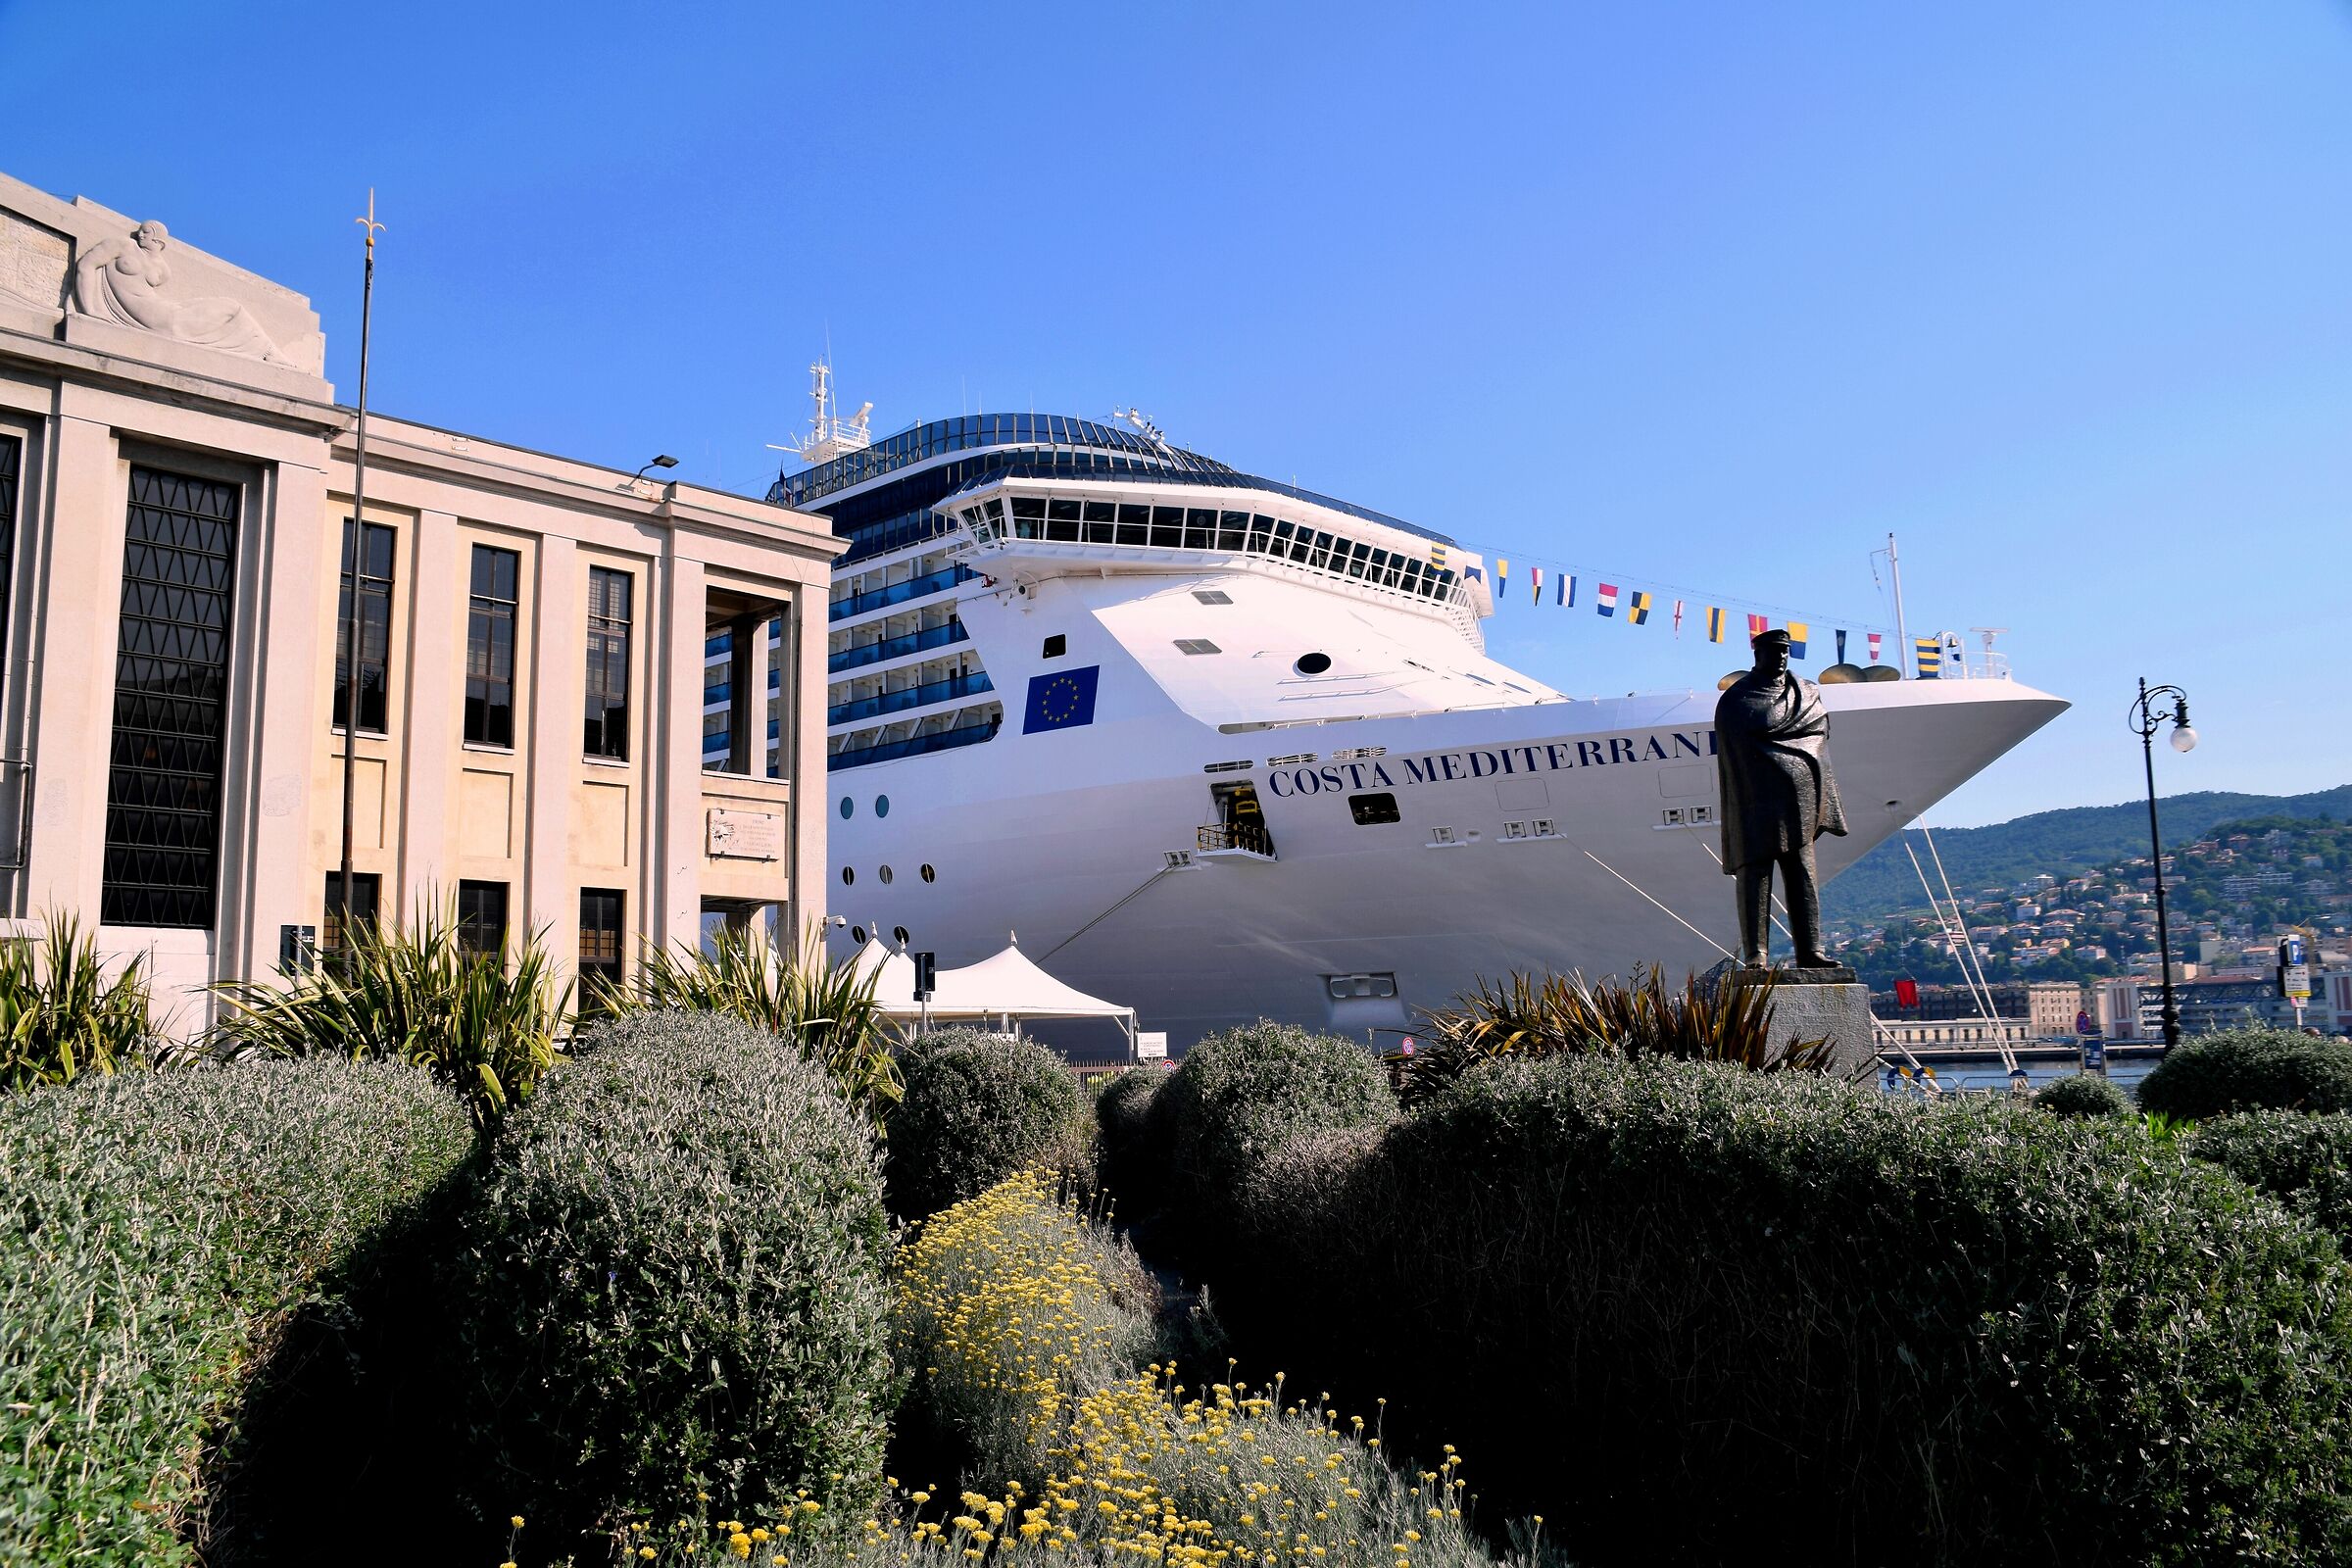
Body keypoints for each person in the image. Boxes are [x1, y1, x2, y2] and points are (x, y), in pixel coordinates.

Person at [1714, 628, 1847, 967]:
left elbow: (1819, 733)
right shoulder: (1737, 699)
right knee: (1754, 877)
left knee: (1803, 875)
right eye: (1775, 652)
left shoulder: (1806, 692)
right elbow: (1736, 754)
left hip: (1799, 799)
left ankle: (1811, 950)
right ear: (1758, 655)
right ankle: (1756, 954)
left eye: (1786, 651)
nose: (1782, 657)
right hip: (1755, 801)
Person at [73, 220, 291, 364]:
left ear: (159, 239)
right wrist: (90, 310)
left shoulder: (162, 268)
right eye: (140, 231)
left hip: (164, 312)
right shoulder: (121, 245)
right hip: (156, 318)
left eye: (147, 232)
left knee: (231, 308)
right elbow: (85, 266)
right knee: (231, 309)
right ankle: (267, 353)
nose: (140, 234)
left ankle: (266, 352)